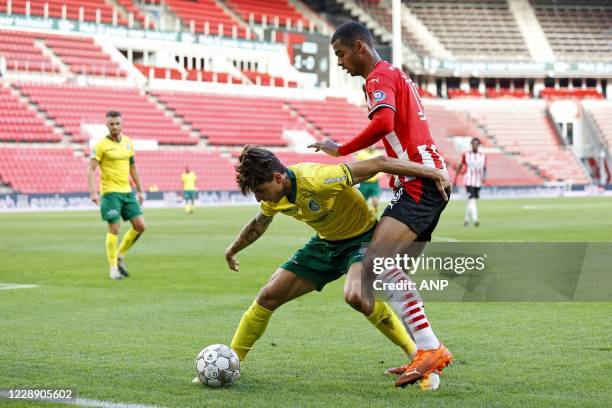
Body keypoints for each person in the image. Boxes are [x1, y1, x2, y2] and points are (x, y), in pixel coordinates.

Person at [193, 146, 450, 390]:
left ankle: (417, 354)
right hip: (325, 245)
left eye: (260, 190)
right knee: (268, 296)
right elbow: (259, 224)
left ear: (277, 177)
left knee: (356, 297)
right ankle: (232, 362)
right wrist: (234, 248)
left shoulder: (318, 178)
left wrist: (434, 173)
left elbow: (379, 163)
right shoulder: (275, 197)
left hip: (362, 241)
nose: (260, 197)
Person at [308, 21, 452, 387]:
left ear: (360, 47)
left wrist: (340, 149)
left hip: (419, 180)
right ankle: (426, 363)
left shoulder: (377, 77)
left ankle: (430, 349)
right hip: (422, 176)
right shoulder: (393, 75)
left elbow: (385, 121)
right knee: (388, 276)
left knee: (376, 265)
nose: (339, 62)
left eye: (340, 54)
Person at [87, 111, 146, 280]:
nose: (115, 126)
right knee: (114, 228)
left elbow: (133, 169)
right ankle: (113, 268)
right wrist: (93, 191)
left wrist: (140, 190)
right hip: (110, 193)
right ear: (107, 125)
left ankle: (119, 255)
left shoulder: (128, 143)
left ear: (122, 124)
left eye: (117, 123)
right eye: (111, 124)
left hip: (127, 192)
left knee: (140, 226)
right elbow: (90, 169)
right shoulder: (100, 146)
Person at [455, 138, 486, 227]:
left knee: (471, 201)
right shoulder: (466, 154)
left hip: (478, 182)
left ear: (479, 145)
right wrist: (456, 177)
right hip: (469, 180)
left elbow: (484, 167)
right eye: (473, 144)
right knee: (472, 200)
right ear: (471, 144)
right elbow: (461, 165)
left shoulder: (483, 156)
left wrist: (484, 178)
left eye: (476, 144)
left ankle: (466, 220)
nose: (475, 146)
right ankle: (476, 220)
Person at [356, 146, 382, 213]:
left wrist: (379, 175)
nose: (372, 145)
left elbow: (382, 167)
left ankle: (375, 216)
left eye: (373, 144)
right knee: (361, 203)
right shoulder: (361, 154)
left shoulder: (379, 154)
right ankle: (361, 216)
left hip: (374, 183)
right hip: (364, 183)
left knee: (375, 202)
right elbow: (358, 166)